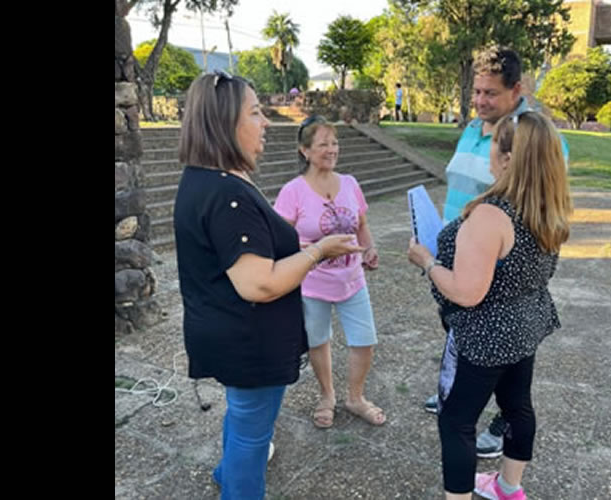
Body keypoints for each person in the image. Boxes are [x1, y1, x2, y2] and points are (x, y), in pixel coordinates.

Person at [173, 72, 364, 500]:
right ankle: (238, 485)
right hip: (247, 340)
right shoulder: (228, 194)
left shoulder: (204, 177)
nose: (267, 123)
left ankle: (228, 472)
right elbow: (259, 285)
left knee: (243, 418)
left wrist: (307, 247)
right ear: (224, 122)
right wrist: (317, 253)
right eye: (256, 113)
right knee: (251, 433)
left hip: (227, 332)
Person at [408, 111, 573, 500]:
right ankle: (509, 487)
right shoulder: (546, 208)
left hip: (485, 336)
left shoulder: (491, 215)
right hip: (526, 325)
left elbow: (466, 293)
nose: (489, 150)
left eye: (494, 143)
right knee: (518, 406)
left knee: (457, 421)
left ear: (507, 158)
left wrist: (428, 262)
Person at [423, 45, 569, 461]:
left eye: (490, 93)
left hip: (493, 269)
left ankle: (484, 413)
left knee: (478, 389)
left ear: (515, 90)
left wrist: (439, 260)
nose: (480, 101)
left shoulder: (534, 138)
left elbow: (541, 201)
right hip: (464, 256)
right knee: (470, 350)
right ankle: (462, 397)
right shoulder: (473, 129)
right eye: (477, 92)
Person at [273, 115, 385, 428]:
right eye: (323, 144)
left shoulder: (349, 183)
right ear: (304, 151)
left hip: (352, 280)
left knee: (365, 340)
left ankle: (355, 397)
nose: (331, 149)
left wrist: (370, 248)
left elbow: (362, 225)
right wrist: (312, 252)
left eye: (334, 142)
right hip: (312, 284)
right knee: (318, 340)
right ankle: (327, 395)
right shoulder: (292, 191)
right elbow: (280, 241)